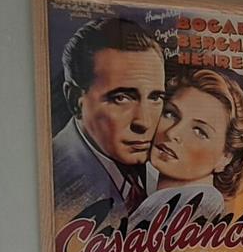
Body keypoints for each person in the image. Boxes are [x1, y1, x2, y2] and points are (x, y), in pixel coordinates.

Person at [50, 17, 167, 225]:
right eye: (121, 98)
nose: (145, 122)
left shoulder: (160, 172)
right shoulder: (58, 183)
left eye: (155, 97)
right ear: (75, 100)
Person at [123, 65, 243, 228]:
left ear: (226, 157)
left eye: (199, 131)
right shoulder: (155, 197)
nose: (172, 133)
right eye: (171, 114)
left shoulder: (196, 206)